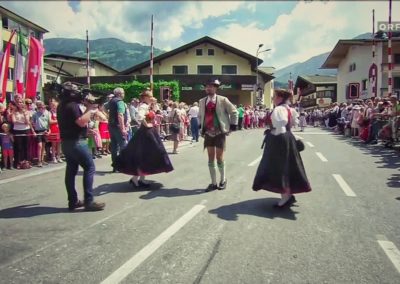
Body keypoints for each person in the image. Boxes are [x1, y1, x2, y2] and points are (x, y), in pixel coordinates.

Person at [252, 89, 311, 208]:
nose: (273, 98)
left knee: (279, 168)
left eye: (274, 96)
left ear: (280, 97)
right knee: (289, 166)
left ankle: (285, 197)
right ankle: (288, 194)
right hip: (287, 138)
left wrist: (274, 135)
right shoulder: (290, 109)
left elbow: (281, 124)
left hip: (279, 140)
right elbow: (293, 122)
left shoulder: (279, 109)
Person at [57, 82, 105, 211]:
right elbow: (81, 122)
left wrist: (84, 130)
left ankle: (72, 201)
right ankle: (89, 201)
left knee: (71, 171)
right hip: (77, 142)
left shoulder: (61, 105)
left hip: (66, 142)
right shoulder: (72, 106)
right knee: (89, 167)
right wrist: (90, 108)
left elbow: (72, 124)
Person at [115, 89, 173, 188]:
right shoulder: (143, 106)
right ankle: (135, 179)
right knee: (143, 156)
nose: (152, 98)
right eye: (150, 96)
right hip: (146, 133)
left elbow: (153, 114)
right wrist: (147, 124)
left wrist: (154, 106)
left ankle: (141, 179)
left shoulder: (148, 106)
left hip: (149, 132)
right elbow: (139, 117)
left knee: (147, 157)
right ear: (145, 97)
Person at [198, 79, 238, 192]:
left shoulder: (223, 100)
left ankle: (223, 180)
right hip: (208, 133)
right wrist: (200, 125)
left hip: (219, 132)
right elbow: (200, 115)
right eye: (207, 86)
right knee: (210, 158)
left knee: (219, 157)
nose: (208, 88)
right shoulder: (202, 101)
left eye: (211, 86)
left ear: (216, 88)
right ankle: (213, 182)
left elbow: (234, 112)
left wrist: (233, 125)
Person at [108, 87, 128, 172]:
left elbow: (104, 108)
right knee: (123, 146)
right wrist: (123, 128)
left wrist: (109, 117)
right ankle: (121, 165)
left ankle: (115, 166)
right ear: (119, 94)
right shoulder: (120, 102)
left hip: (111, 125)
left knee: (114, 146)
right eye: (123, 93)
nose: (124, 94)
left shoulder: (111, 101)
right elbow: (120, 115)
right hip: (117, 126)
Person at [31, 101, 50, 167]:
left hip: (45, 131)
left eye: (43, 107)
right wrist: (33, 131)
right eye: (40, 107)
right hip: (38, 131)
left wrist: (49, 131)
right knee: (40, 146)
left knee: (43, 146)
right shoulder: (35, 114)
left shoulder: (47, 113)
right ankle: (39, 161)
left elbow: (48, 123)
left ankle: (42, 160)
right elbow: (31, 124)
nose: (42, 108)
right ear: (38, 108)